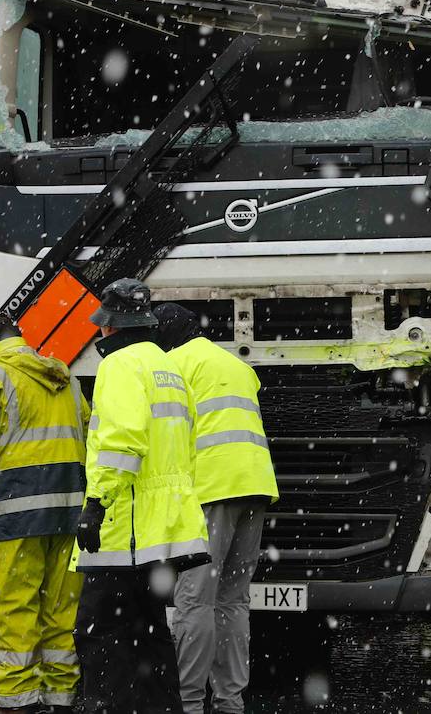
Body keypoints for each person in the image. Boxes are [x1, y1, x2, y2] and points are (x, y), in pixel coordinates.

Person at [72, 279, 210, 714]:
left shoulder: (120, 367)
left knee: (99, 634)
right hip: (162, 533)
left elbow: (121, 443)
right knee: (149, 636)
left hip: (123, 531)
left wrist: (97, 505)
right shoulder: (167, 368)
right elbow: (185, 450)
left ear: (111, 327)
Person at [0, 310, 90, 712]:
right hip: (69, 514)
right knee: (60, 610)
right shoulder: (62, 377)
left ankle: (16, 702)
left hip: (17, 512)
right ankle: (60, 697)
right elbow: (88, 429)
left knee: (13, 606)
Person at [155, 303, 278, 714]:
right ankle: (230, 701)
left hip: (211, 488)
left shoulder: (172, 366)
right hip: (255, 485)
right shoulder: (235, 364)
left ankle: (188, 703)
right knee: (234, 600)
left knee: (194, 599)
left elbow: (166, 437)